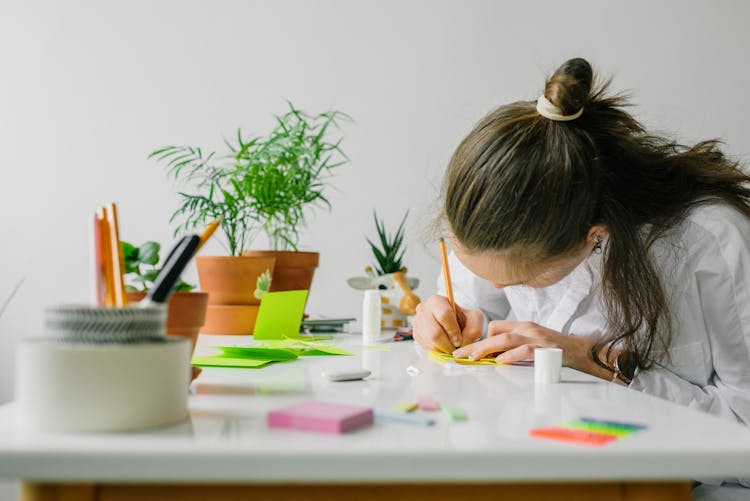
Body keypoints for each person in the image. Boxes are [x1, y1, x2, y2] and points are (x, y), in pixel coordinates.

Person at [413, 57, 750, 428]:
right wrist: (451, 320)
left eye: (522, 281)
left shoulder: (713, 242)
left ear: (595, 236)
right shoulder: (501, 223)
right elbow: (473, 305)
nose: (498, 288)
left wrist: (591, 358)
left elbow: (743, 422)